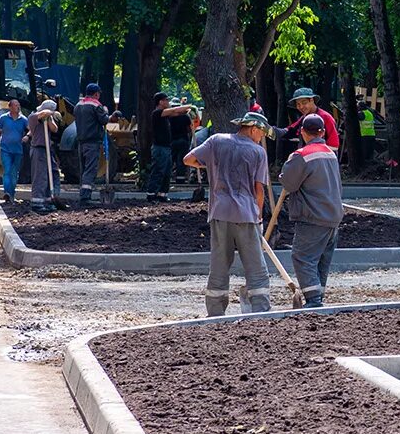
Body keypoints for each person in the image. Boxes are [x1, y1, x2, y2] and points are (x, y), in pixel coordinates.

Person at [184, 112, 273, 316]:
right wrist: (259, 217)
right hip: (245, 215)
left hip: (219, 213)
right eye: (261, 133)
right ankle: (260, 310)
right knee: (255, 266)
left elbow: (188, 159)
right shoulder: (258, 152)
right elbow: (258, 190)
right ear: (253, 129)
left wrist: (209, 166)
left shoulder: (217, 140)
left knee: (219, 264)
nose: (262, 137)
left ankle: (215, 312)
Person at [279, 113, 343, 307]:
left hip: (313, 216)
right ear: (322, 132)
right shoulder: (330, 153)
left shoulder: (302, 155)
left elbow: (289, 183)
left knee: (303, 257)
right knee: (322, 260)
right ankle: (318, 296)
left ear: (302, 132)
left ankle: (314, 301)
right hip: (333, 215)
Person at [145, 93, 192, 202]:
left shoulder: (166, 115)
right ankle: (151, 194)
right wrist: (189, 106)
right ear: (160, 102)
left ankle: (163, 194)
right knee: (158, 170)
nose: (168, 102)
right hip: (159, 148)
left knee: (167, 172)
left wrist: (186, 111)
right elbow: (172, 111)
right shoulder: (157, 113)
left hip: (167, 147)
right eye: (166, 100)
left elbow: (176, 112)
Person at [72, 83, 112, 208]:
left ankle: (82, 194)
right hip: (93, 141)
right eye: (99, 93)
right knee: (90, 169)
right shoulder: (96, 105)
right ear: (96, 94)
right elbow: (104, 120)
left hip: (81, 141)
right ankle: (85, 197)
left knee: (83, 169)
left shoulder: (78, 105)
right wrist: (106, 112)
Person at [0, 98, 29, 200]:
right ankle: (7, 193)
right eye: (15, 105)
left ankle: (11, 194)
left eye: (18, 105)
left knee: (14, 173)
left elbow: (31, 130)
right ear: (10, 107)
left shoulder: (23, 119)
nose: (18, 107)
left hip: (18, 150)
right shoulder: (3, 118)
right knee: (7, 171)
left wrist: (27, 136)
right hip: (5, 149)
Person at [26, 100, 60, 213]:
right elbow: (43, 113)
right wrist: (50, 113)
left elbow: (54, 129)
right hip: (38, 149)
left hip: (47, 150)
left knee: (53, 173)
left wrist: (50, 118)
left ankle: (49, 199)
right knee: (40, 176)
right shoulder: (33, 117)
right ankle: (37, 202)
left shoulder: (47, 118)